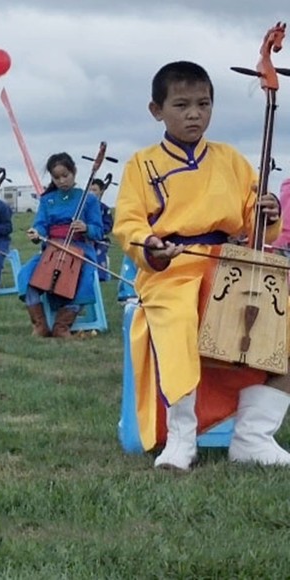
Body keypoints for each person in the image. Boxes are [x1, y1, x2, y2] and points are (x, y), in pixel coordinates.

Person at [113, 60, 288, 471]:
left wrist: (268, 212)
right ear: (157, 110)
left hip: (228, 264)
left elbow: (255, 223)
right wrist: (151, 245)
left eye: (203, 104)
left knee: (284, 326)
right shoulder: (141, 164)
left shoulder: (230, 159)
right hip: (171, 269)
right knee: (175, 320)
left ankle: (254, 435)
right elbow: (129, 223)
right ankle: (181, 436)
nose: (194, 114)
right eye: (181, 105)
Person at [15, 153, 104, 338]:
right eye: (57, 178)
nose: (62, 181)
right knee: (26, 274)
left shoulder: (89, 199)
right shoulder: (47, 200)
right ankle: (39, 325)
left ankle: (62, 326)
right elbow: (40, 224)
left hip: (81, 250)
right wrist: (36, 233)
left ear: (74, 172)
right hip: (52, 249)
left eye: (66, 175)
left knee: (83, 278)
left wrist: (86, 227)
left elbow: (99, 231)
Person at [87, 177, 114, 283]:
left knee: (100, 251)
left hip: (101, 239)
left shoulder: (105, 209)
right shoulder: (83, 207)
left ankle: (101, 276)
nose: (91, 192)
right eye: (90, 190)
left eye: (94, 190)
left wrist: (99, 232)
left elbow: (108, 225)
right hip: (86, 237)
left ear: (101, 191)